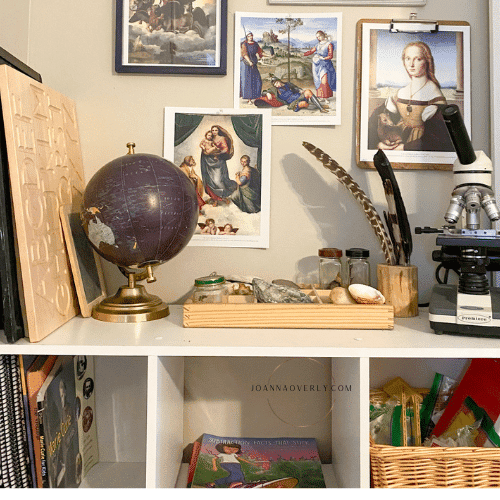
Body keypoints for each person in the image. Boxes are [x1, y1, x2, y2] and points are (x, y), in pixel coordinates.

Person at [368, 41, 453, 152]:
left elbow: (439, 138)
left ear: (427, 61)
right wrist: (379, 143)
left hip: (420, 146)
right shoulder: (401, 92)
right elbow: (374, 123)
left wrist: (404, 148)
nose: (411, 64)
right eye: (408, 58)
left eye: (417, 59)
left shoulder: (434, 94)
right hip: (398, 140)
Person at [199, 125, 237, 206]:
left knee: (217, 180)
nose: (214, 132)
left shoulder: (221, 138)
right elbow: (204, 146)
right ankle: (215, 198)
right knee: (210, 181)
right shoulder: (210, 138)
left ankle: (223, 196)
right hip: (208, 161)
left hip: (218, 162)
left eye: (216, 130)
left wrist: (217, 154)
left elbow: (225, 150)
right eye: (213, 130)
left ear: (218, 131)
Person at [254, 76, 328, 113]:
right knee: (304, 103)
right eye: (275, 85)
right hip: (292, 103)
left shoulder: (288, 84)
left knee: (308, 91)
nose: (276, 85)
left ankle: (321, 108)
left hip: (298, 96)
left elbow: (296, 88)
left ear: (279, 81)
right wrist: (267, 93)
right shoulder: (275, 90)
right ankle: (319, 106)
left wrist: (300, 90)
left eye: (276, 83)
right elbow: (263, 92)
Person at [303, 30, 336, 99]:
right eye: (317, 37)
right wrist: (303, 54)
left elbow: (330, 56)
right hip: (316, 64)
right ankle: (320, 97)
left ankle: (326, 97)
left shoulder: (329, 44)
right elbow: (311, 51)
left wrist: (323, 58)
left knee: (324, 80)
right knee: (318, 80)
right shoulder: (318, 45)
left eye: (319, 36)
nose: (318, 38)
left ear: (323, 35)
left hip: (325, 64)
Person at [240, 32, 264, 104]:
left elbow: (260, 52)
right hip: (246, 64)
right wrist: (249, 62)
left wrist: (269, 55)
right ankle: (249, 99)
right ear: (247, 37)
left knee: (257, 80)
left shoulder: (255, 44)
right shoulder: (244, 44)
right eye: (249, 36)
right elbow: (244, 54)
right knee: (248, 81)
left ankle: (256, 97)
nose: (251, 37)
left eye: (251, 35)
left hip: (253, 63)